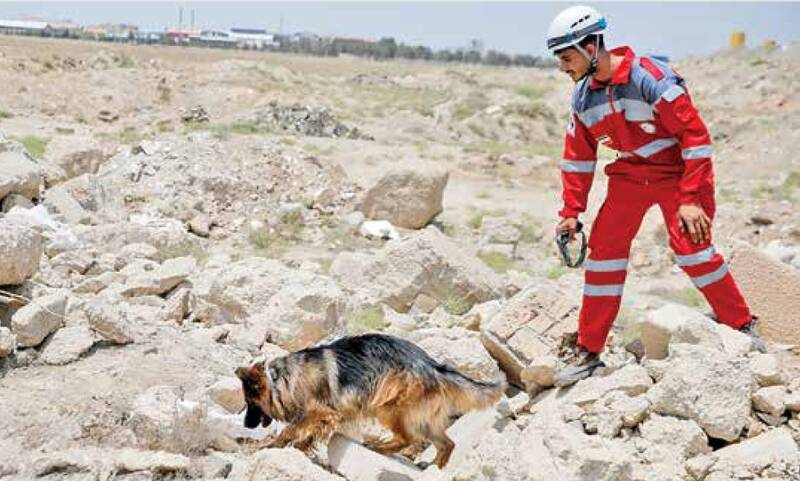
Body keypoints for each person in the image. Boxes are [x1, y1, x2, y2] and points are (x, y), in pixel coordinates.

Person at [545, 5, 766, 387]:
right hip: (631, 175)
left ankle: (742, 326)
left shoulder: (651, 77)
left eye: (566, 58)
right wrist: (571, 213)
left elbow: (695, 138)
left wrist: (692, 198)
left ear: (590, 47)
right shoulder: (583, 99)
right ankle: (589, 350)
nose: (563, 68)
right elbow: (578, 159)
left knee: (693, 250)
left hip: (679, 174)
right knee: (603, 258)